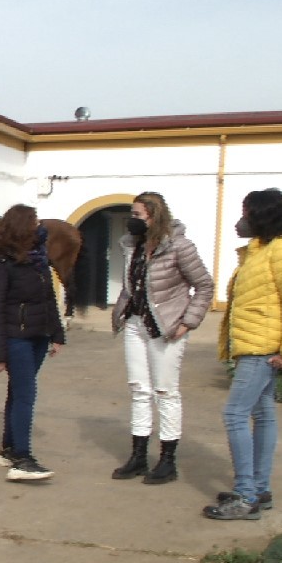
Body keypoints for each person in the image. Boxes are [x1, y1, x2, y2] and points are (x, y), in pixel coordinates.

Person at [204, 188, 282, 520]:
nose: (242, 219)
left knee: (235, 415)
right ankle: (259, 489)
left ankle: (246, 497)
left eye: (248, 212)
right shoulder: (260, 250)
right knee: (262, 414)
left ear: (263, 215)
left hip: (262, 349)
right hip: (254, 345)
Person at [110, 192, 214, 485]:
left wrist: (188, 322)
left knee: (166, 392)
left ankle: (167, 461)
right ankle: (139, 456)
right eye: (132, 214)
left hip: (165, 327)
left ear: (155, 216)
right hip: (135, 324)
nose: (133, 220)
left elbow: (204, 286)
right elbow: (132, 285)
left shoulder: (180, 247)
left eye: (138, 215)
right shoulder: (132, 246)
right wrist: (121, 312)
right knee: (139, 389)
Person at [0, 204, 66, 481]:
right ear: (21, 227)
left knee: (18, 393)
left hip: (39, 336)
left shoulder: (39, 259)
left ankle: (8, 450)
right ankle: (22, 458)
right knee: (26, 395)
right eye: (34, 222)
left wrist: (57, 334)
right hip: (16, 339)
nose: (39, 227)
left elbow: (48, 299)